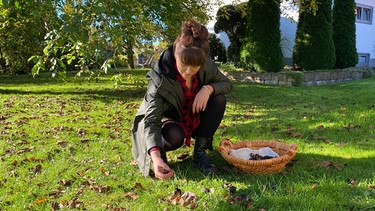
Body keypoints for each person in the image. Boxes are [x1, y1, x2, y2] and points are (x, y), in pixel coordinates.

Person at [131, 20, 233, 180]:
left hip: (193, 114)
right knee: (174, 136)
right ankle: (160, 154)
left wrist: (207, 89)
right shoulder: (160, 78)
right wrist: (155, 157)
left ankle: (199, 154)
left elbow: (226, 83)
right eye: (184, 64)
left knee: (218, 99)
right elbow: (151, 121)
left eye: (195, 67)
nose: (188, 71)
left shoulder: (205, 62)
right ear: (175, 54)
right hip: (168, 120)